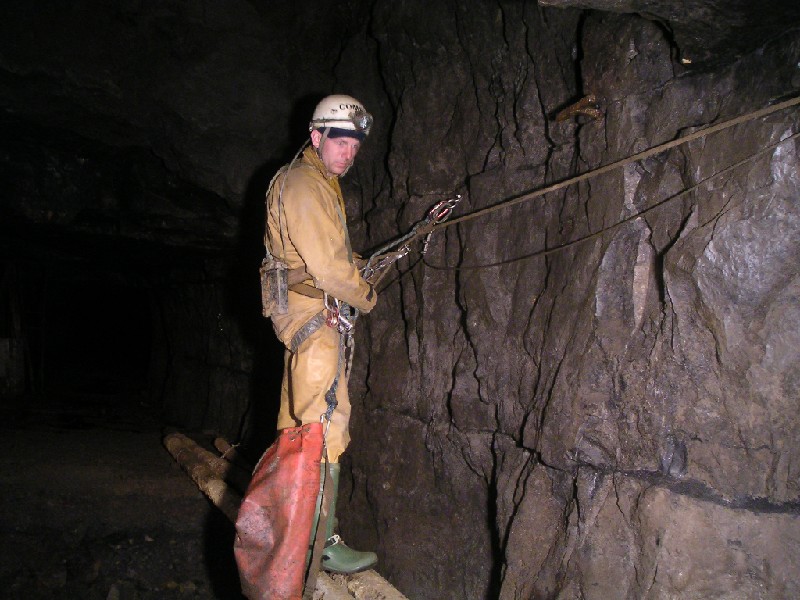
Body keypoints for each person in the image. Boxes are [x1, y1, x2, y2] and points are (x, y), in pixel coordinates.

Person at [263, 94, 378, 575]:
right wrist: (365, 292)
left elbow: (327, 253)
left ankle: (292, 532)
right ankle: (318, 543)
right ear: (316, 137)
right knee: (324, 425)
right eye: (339, 141)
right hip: (315, 317)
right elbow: (328, 269)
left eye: (355, 144)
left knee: (300, 423)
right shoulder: (306, 184)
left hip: (308, 314)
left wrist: (356, 267)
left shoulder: (315, 182)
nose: (348, 152)